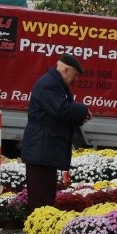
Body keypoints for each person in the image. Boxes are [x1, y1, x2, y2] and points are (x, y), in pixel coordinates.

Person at [21, 54, 90, 210]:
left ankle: (40, 230)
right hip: (41, 152)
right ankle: (37, 231)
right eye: (76, 74)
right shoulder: (49, 84)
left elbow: (61, 113)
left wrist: (80, 117)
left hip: (45, 152)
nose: (76, 79)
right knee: (40, 202)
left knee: (46, 199)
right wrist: (83, 109)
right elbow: (61, 109)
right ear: (66, 70)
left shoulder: (57, 85)